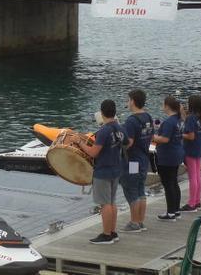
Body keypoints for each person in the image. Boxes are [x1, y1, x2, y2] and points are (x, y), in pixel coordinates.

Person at [79, 99, 128, 244]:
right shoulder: (120, 128)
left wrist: (81, 144)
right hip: (115, 169)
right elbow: (128, 143)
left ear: (101, 113)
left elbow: (93, 153)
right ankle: (112, 232)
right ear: (114, 112)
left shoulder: (103, 131)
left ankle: (106, 234)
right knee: (112, 202)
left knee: (104, 204)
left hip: (103, 171)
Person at [119, 89, 154, 233]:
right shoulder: (148, 117)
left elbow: (129, 142)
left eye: (128, 100)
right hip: (144, 159)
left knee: (131, 189)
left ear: (133, 101)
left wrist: (119, 143)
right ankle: (140, 221)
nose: (127, 102)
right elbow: (151, 137)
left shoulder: (132, 120)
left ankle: (134, 222)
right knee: (140, 190)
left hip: (133, 161)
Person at [152, 96, 184, 221]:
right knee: (174, 182)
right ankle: (176, 210)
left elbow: (165, 139)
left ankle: (170, 212)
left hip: (167, 156)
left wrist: (152, 137)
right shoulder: (178, 120)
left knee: (168, 183)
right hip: (177, 153)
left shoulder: (169, 122)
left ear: (167, 106)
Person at [181, 96, 201, 212]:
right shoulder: (200, 117)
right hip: (199, 147)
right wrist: (183, 115)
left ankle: (191, 203)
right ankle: (197, 200)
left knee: (192, 177)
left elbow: (190, 136)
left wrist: (179, 134)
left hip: (191, 148)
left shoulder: (191, 118)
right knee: (198, 175)